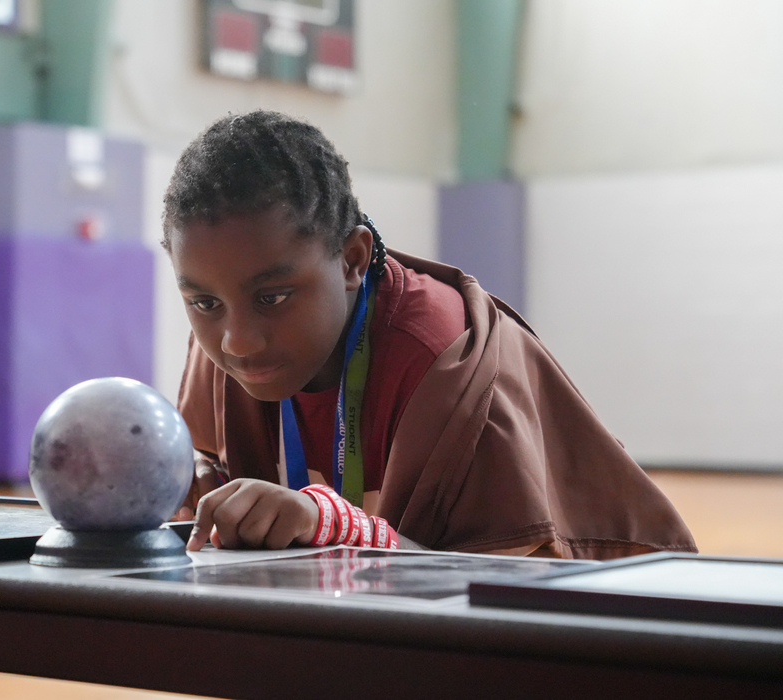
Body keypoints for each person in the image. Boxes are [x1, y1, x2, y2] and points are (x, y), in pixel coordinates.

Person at [162, 109, 696, 559]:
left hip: (619, 624)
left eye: (272, 297)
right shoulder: (227, 345)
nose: (237, 341)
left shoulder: (447, 362)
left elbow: (497, 594)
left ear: (352, 260)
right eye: (203, 303)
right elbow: (212, 463)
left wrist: (339, 527)